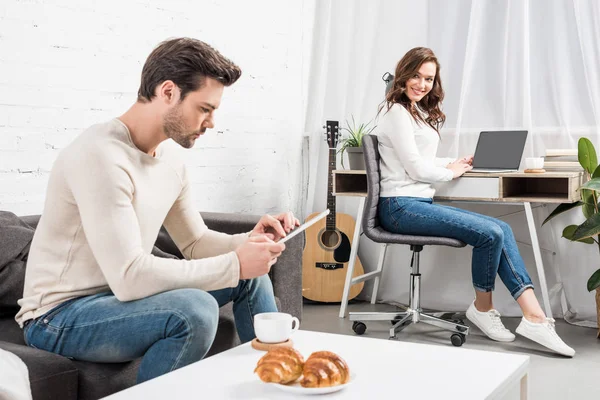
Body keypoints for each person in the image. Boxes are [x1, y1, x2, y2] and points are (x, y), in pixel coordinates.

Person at [15, 37, 300, 383]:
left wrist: (249, 242)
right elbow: (130, 277)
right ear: (168, 92)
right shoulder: (99, 156)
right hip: (58, 316)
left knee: (250, 280)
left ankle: (283, 382)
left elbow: (194, 242)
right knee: (194, 312)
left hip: (116, 300)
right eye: (205, 108)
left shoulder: (170, 162)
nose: (210, 122)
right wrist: (234, 263)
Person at [374, 47, 575, 357]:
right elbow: (414, 168)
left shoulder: (415, 112)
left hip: (416, 204)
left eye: (428, 78)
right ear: (403, 73)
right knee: (490, 233)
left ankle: (531, 317)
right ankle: (489, 310)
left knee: (502, 228)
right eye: (416, 75)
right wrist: (448, 171)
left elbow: (417, 159)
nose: (421, 84)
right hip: (399, 207)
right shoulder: (396, 112)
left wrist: (454, 162)